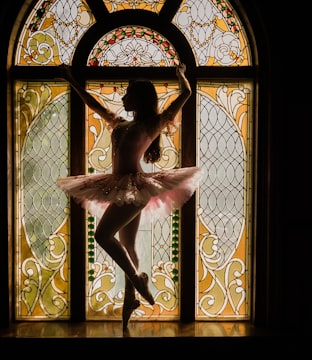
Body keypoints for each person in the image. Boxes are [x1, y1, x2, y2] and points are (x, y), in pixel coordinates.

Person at [57, 63, 204, 328]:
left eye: (127, 94)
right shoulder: (121, 123)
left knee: (101, 235)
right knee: (128, 247)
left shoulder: (152, 123)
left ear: (139, 98)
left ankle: (138, 281)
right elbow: (93, 104)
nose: (123, 97)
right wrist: (72, 80)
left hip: (136, 188)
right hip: (118, 186)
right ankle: (130, 300)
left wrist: (181, 77)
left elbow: (185, 95)